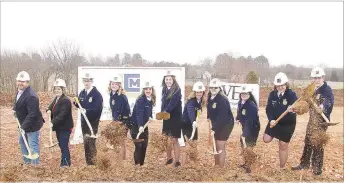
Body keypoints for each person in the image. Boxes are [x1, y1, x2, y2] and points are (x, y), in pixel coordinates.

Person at [291, 67, 334, 175]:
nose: (317, 80)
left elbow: (330, 101)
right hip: (312, 121)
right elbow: (305, 103)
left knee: (317, 144)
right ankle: (304, 164)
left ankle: (317, 169)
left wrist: (322, 106)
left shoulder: (326, 89)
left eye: (319, 77)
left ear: (323, 77)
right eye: (315, 78)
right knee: (308, 142)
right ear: (312, 79)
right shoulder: (311, 90)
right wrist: (297, 107)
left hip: (321, 122)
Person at [263, 72, 297, 169]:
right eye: (278, 85)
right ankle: (277, 135)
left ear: (286, 84)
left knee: (282, 145)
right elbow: (268, 109)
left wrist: (293, 110)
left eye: (282, 85)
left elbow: (299, 107)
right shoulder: (272, 94)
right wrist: (271, 120)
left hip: (287, 124)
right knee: (266, 139)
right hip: (275, 122)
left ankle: (282, 167)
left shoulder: (291, 94)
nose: (280, 87)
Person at [13, 71, 44, 165]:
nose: (20, 83)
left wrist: (23, 127)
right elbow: (18, 103)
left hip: (32, 125)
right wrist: (14, 110)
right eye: (19, 81)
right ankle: (27, 163)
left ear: (27, 82)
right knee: (22, 142)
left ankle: (35, 166)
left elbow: (32, 114)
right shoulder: (19, 91)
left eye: (23, 81)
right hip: (23, 123)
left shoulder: (31, 96)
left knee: (32, 145)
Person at [73, 72, 103, 165]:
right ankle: (88, 163)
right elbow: (80, 105)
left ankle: (93, 162)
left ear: (92, 81)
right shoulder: (82, 93)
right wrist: (76, 103)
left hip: (92, 122)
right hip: (84, 122)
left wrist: (87, 111)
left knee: (91, 142)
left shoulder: (97, 94)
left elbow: (98, 109)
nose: (86, 83)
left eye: (88, 81)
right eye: (84, 81)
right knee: (86, 143)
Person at [207, 78, 234, 168]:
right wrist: (208, 116)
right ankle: (216, 165)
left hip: (226, 124)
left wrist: (214, 129)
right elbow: (210, 108)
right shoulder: (210, 97)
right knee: (215, 146)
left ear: (219, 88)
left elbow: (223, 117)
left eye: (215, 88)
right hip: (216, 123)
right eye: (212, 87)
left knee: (220, 146)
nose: (213, 89)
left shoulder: (222, 99)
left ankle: (221, 168)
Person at [47, 79, 74, 167]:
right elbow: (50, 107)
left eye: (59, 89)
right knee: (62, 145)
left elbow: (63, 114)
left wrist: (53, 122)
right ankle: (64, 162)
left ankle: (66, 164)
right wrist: (48, 110)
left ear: (63, 90)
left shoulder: (65, 100)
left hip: (65, 127)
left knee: (63, 145)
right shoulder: (57, 98)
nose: (57, 90)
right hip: (59, 127)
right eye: (56, 89)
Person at [130, 80, 156, 166]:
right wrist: (140, 125)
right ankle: (137, 164)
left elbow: (148, 111)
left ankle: (141, 164)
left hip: (144, 127)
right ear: (143, 90)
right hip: (135, 126)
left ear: (152, 90)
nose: (148, 91)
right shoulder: (140, 100)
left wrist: (150, 116)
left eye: (149, 89)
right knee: (139, 145)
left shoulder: (150, 100)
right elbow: (139, 114)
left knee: (144, 145)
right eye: (146, 89)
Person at [235, 85, 260, 173]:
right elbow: (239, 112)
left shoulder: (251, 105)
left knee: (249, 146)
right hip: (245, 126)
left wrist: (245, 133)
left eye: (246, 94)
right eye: (242, 94)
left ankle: (249, 167)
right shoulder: (240, 102)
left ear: (249, 94)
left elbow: (250, 121)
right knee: (243, 144)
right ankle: (245, 163)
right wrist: (237, 118)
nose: (244, 95)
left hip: (253, 128)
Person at [161, 70, 183, 167]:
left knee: (174, 139)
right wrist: (162, 112)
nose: (168, 81)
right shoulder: (164, 89)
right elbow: (163, 102)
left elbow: (173, 103)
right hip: (166, 116)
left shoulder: (177, 89)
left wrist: (165, 111)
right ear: (164, 80)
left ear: (173, 80)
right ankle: (169, 158)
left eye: (170, 79)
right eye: (166, 79)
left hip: (175, 117)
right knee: (166, 138)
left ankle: (177, 161)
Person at [108, 75, 131, 160]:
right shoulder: (112, 95)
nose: (114, 85)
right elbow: (114, 110)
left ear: (119, 86)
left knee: (121, 142)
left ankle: (122, 161)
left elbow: (119, 111)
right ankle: (120, 160)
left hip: (123, 121)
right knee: (118, 141)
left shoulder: (121, 97)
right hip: (117, 121)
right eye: (112, 84)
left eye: (116, 84)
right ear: (110, 84)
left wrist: (116, 122)